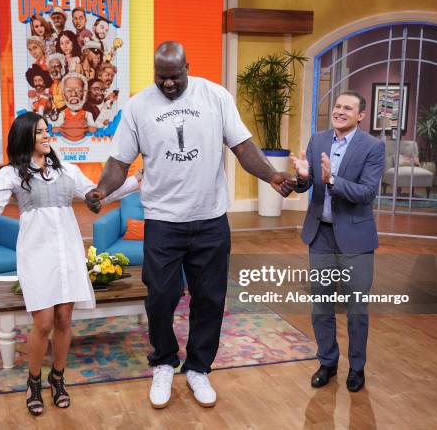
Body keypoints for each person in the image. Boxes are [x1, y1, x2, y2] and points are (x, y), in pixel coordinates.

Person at [85, 41, 295, 409]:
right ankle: (164, 361)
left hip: (210, 219)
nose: (167, 84)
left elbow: (243, 148)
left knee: (210, 299)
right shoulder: (138, 106)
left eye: (175, 76)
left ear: (188, 67)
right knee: (160, 298)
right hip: (163, 221)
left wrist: (272, 177)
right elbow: (120, 162)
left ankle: (198, 368)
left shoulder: (215, 96)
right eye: (161, 77)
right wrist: (102, 189)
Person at [0, 112, 139, 415]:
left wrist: (137, 180)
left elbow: (101, 194)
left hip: (68, 251)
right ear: (26, 138)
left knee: (64, 319)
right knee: (44, 322)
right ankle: (34, 381)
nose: (47, 135)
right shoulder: (9, 174)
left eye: (47, 130)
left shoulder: (67, 170)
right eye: (40, 132)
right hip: (36, 254)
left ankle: (58, 378)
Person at [290, 91, 385, 393]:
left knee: (356, 308)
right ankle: (327, 362)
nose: (340, 111)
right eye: (337, 106)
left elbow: (367, 192)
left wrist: (332, 180)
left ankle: (356, 368)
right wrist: (303, 177)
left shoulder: (373, 147)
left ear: (360, 116)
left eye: (348, 108)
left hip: (355, 238)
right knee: (321, 304)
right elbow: (308, 185)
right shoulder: (318, 140)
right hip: (320, 235)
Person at [51, 73, 96, 142]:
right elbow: (55, 129)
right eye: (68, 90)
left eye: (79, 90)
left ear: (84, 93)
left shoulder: (88, 114)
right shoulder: (62, 115)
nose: (73, 94)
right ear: (63, 95)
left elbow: (93, 129)